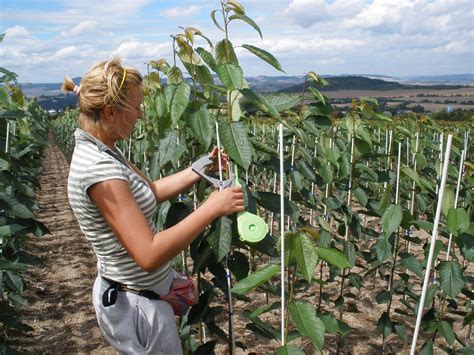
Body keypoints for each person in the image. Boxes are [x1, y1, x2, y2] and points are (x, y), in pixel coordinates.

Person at [62, 57, 244, 354]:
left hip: (142, 297)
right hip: (136, 308)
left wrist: (199, 168)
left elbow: (150, 192)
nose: (141, 115)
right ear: (110, 112)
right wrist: (212, 208)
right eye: (136, 107)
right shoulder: (99, 169)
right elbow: (148, 254)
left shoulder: (106, 150)